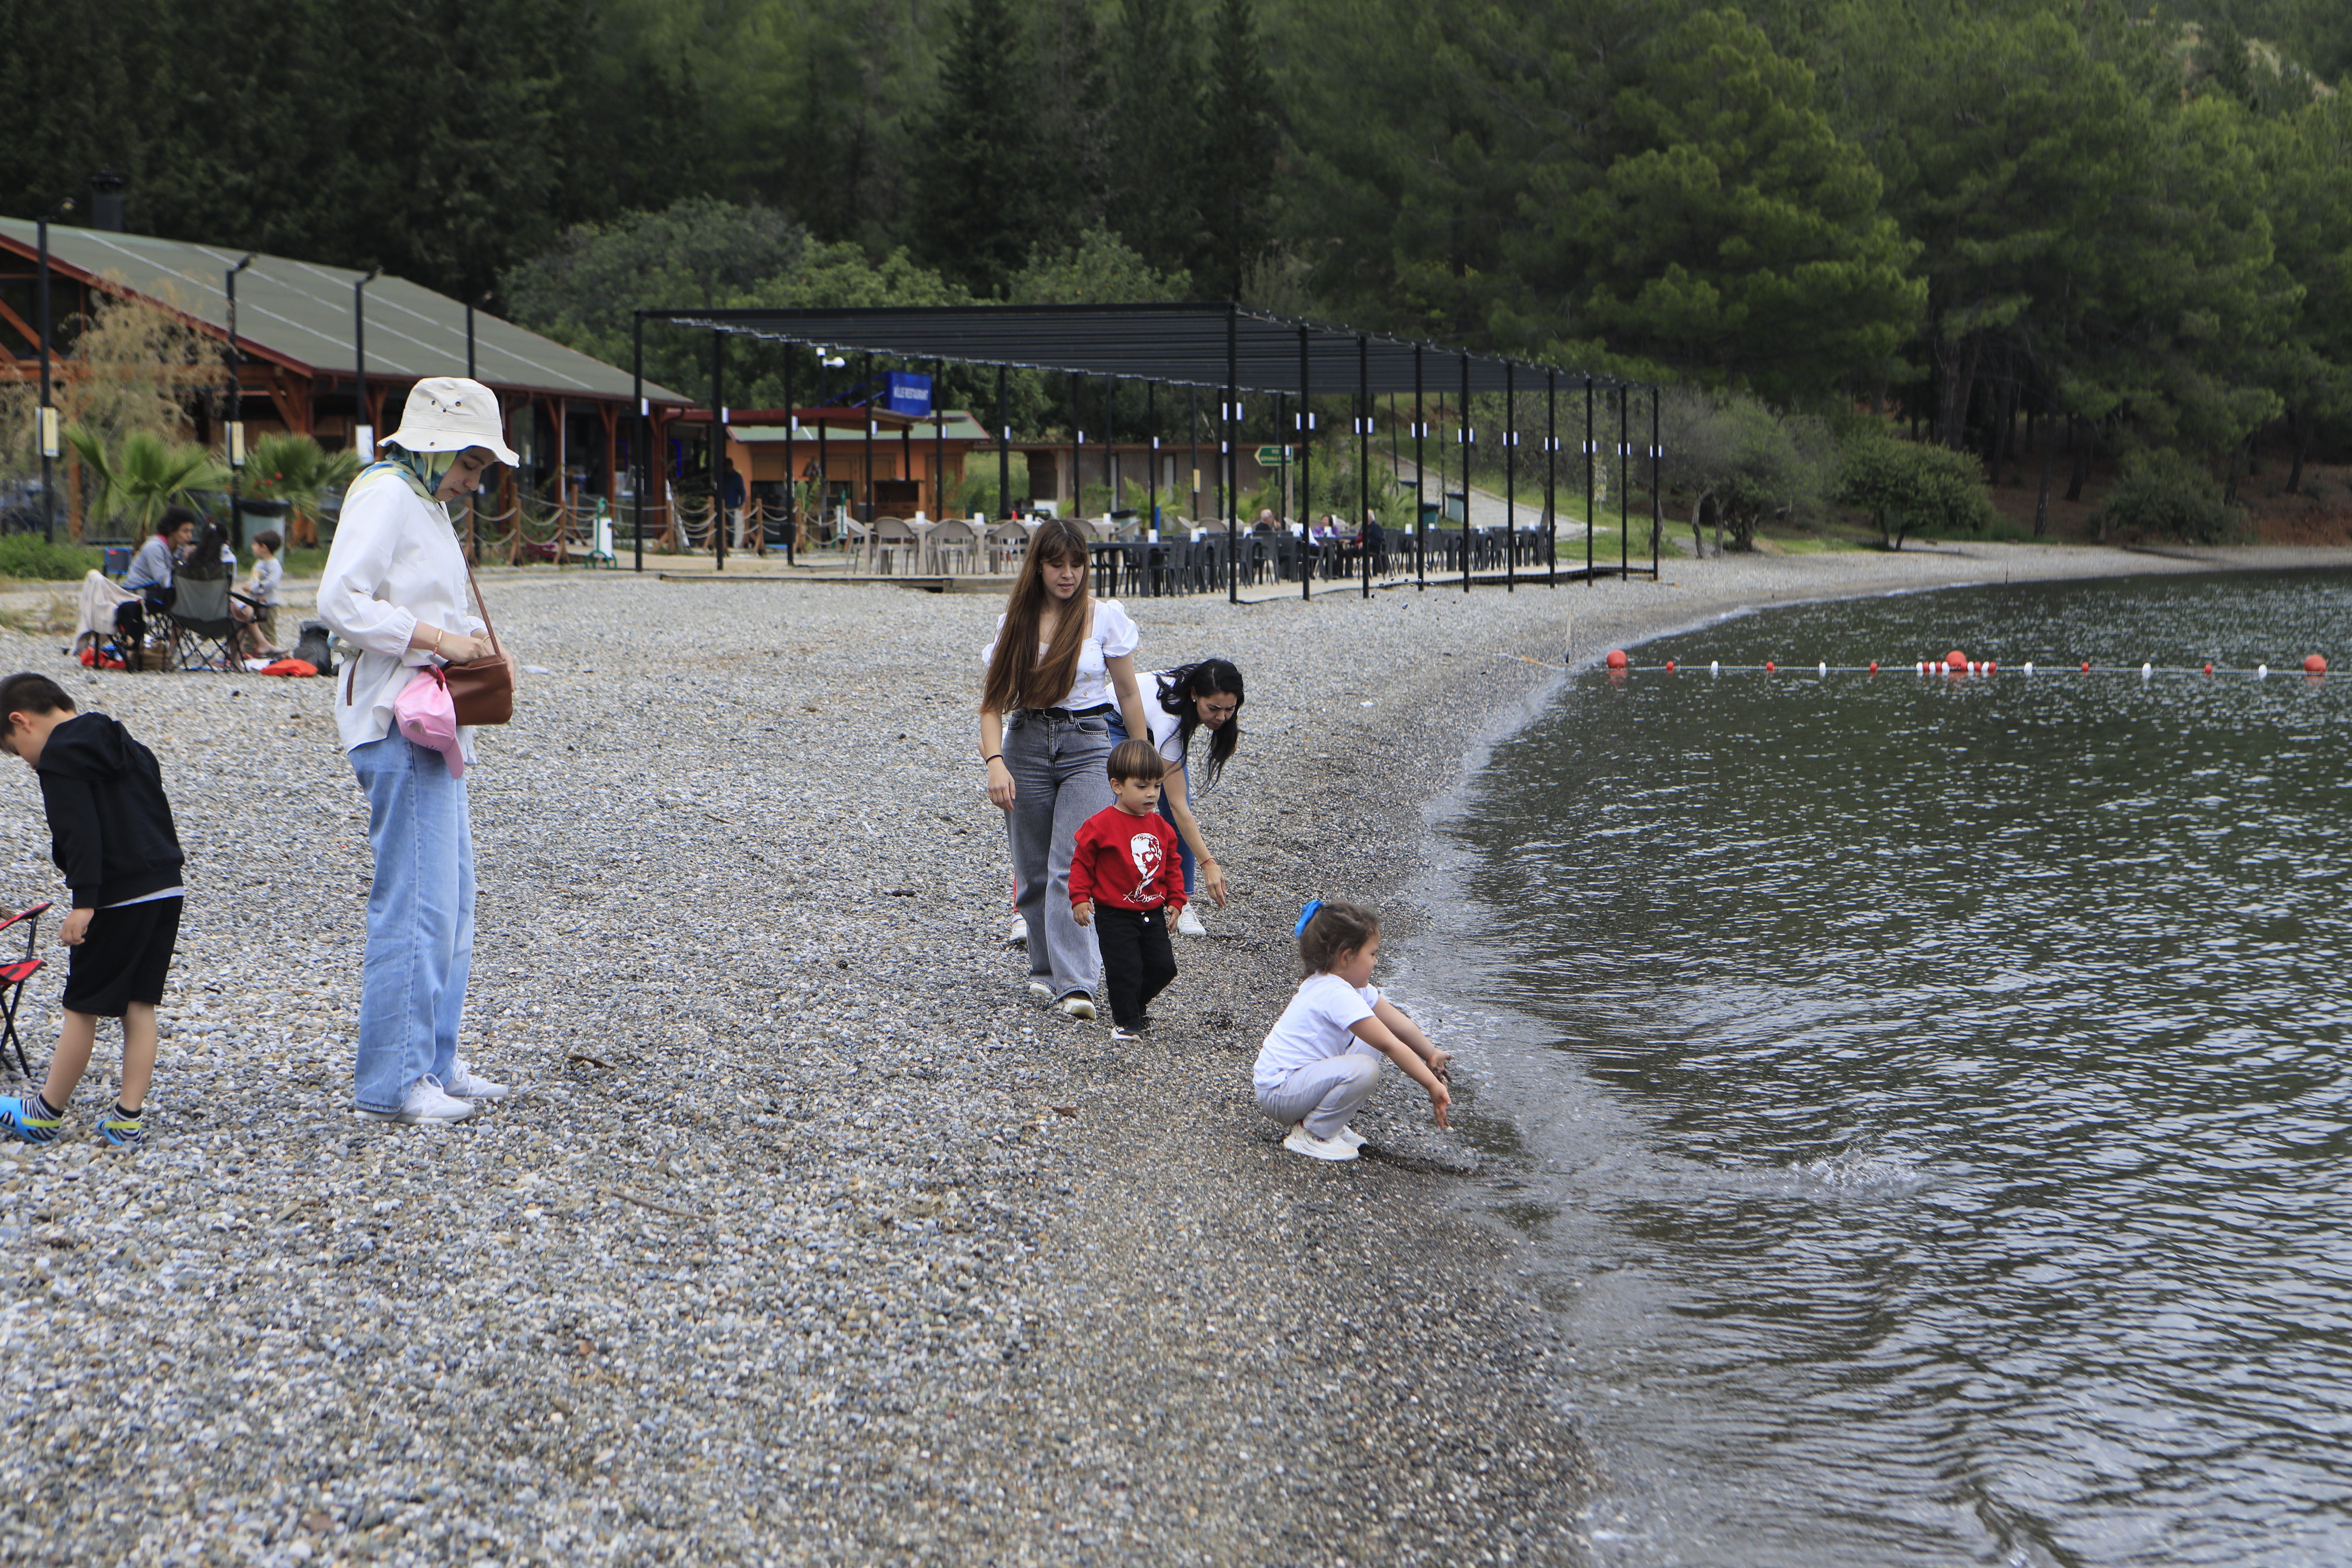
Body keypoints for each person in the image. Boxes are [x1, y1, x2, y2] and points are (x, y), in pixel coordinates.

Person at [318, 376, 516, 1126]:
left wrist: (456, 641)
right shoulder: (389, 492)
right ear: (435, 445)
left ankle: (433, 1059)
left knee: (451, 899)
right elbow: (340, 599)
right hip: (399, 718)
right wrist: (438, 639)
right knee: (417, 899)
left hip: (430, 720)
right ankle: (394, 1080)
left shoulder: (421, 498)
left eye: (479, 467)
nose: (474, 480)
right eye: (470, 462)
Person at [0, 672, 184, 1149]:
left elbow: (78, 833)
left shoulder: (60, 756)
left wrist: (85, 901)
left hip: (116, 896)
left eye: (18, 751)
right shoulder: (127, 742)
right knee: (138, 1005)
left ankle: (44, 1114)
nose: (26, 760)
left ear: (21, 722)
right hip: (165, 887)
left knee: (81, 1006)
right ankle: (128, 1120)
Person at [979, 515, 1148, 1021]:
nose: (1068, 574)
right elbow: (991, 705)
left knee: (1070, 863)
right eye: (1057, 564)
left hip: (1089, 743)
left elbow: (1127, 692)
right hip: (1026, 741)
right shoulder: (1018, 622)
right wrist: (995, 764)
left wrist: (1140, 761)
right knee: (1031, 870)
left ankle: (1078, 985)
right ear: (1039, 566)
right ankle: (1044, 971)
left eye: (1077, 564)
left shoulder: (1105, 618)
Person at [1254, 899, 1451, 1162]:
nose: (1376, 962)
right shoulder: (1334, 992)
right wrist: (1430, 1084)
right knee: (1365, 1067)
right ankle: (1312, 1134)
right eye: (1372, 954)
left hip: (1297, 1083)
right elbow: (1390, 1044)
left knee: (1370, 1043)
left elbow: (1397, 1023)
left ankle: (1329, 1121)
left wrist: (1431, 1053)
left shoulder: (1351, 987)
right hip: (1280, 1093)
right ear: (1346, 957)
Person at [1069, 738, 1184, 1043]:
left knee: (1163, 967)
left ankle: (1134, 1003)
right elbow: (1081, 863)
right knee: (1125, 967)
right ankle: (1126, 1021)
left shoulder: (1162, 827)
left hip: (1153, 911)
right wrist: (1079, 898)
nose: (1152, 794)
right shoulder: (1100, 825)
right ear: (1117, 786)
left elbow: (1172, 865)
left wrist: (1176, 899)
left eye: (1157, 786)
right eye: (1142, 786)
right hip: (1114, 913)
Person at [1124, 659, 1244, 936]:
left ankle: (1181, 899)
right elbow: (1178, 805)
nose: (1222, 717)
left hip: (1153, 724)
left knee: (1176, 813)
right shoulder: (1171, 720)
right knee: (1134, 806)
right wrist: (1208, 863)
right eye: (1213, 709)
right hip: (1115, 719)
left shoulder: (1201, 698)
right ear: (1194, 695)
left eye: (1230, 708)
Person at [115, 508, 195, 667]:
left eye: (191, 531)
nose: (190, 536)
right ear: (172, 530)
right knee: (185, 605)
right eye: (185, 531)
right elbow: (164, 579)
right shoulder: (155, 547)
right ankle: (170, 652)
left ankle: (170, 650)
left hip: (157, 594)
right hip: (139, 596)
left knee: (188, 603)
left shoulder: (177, 549)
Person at [234, 529, 287, 659]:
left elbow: (272, 583)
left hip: (269, 604)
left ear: (264, 547)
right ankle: (247, 654)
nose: (253, 547)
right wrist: (248, 586)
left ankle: (273, 654)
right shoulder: (259, 563)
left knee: (268, 630)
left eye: (255, 544)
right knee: (250, 629)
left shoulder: (274, 565)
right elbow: (254, 579)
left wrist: (256, 588)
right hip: (255, 603)